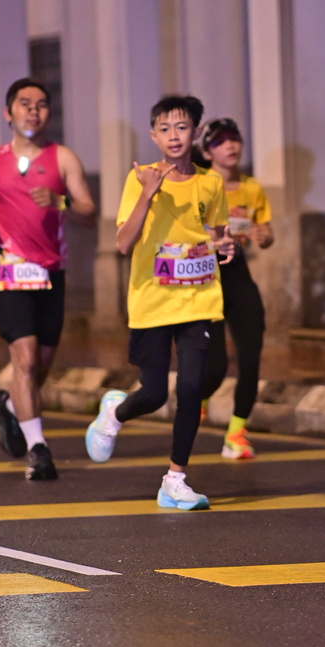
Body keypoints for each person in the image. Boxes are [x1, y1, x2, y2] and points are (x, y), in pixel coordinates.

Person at [85, 95, 234, 510]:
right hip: (151, 300)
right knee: (153, 394)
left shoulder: (210, 183)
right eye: (165, 128)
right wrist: (148, 194)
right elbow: (122, 243)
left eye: (181, 127)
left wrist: (228, 246)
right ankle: (114, 413)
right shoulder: (140, 179)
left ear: (195, 132)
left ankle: (175, 479)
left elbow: (219, 235)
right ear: (153, 135)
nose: (173, 135)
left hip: (199, 299)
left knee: (190, 388)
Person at [0, 77, 96, 480]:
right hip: (7, 267)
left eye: (41, 104)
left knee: (40, 363)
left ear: (48, 113)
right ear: (8, 112)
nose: (33, 111)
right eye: (25, 103)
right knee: (23, 358)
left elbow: (89, 211)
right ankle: (38, 449)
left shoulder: (63, 158)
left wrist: (61, 201)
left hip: (50, 270)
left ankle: (10, 404)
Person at [198, 117, 274, 459]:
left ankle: (236, 433)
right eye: (219, 141)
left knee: (251, 354)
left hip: (238, 275)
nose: (229, 146)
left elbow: (266, 233)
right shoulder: (199, 185)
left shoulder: (251, 187)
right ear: (207, 152)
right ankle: (198, 397)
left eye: (234, 139)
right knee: (214, 367)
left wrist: (262, 235)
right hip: (205, 277)